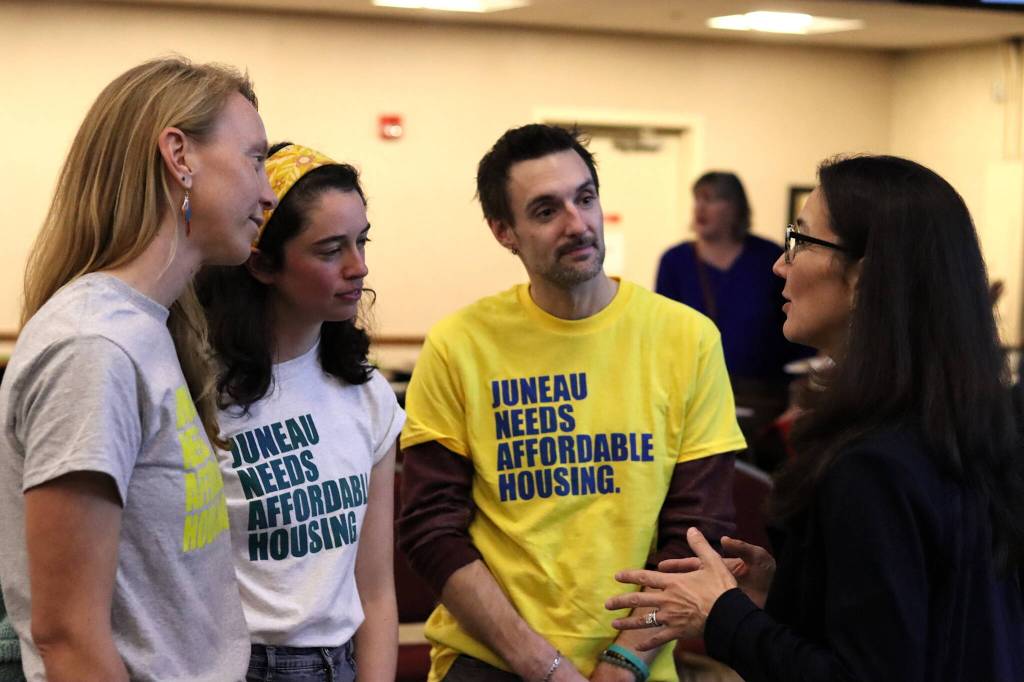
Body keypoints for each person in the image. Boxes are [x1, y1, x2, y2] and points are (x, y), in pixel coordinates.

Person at [606, 155, 1024, 682]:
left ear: (864, 278)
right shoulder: (963, 425)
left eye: (800, 241)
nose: (780, 264)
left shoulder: (874, 463)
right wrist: (793, 591)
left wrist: (720, 615)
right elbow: (930, 620)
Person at [398, 124, 747, 682]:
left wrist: (623, 659)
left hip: (637, 659)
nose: (577, 223)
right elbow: (429, 530)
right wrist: (543, 665)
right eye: (545, 211)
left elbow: (695, 529)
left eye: (585, 198)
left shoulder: (688, 338)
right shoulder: (458, 345)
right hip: (491, 658)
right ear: (503, 231)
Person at [0, 57, 277, 681]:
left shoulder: (148, 326)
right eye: (255, 160)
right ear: (179, 155)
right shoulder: (93, 346)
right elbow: (69, 636)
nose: (269, 193)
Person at [198, 142, 403, 682]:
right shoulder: (200, 393)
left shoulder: (368, 393)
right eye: (331, 249)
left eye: (361, 242)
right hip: (236, 662)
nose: (358, 267)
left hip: (340, 660)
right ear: (264, 264)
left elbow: (376, 590)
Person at [654, 173, 811, 425]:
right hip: (695, 398)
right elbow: (661, 335)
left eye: (712, 199)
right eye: (697, 199)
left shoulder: (768, 257)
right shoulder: (675, 261)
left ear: (736, 207)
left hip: (765, 400)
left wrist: (800, 392)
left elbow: (798, 327)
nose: (700, 208)